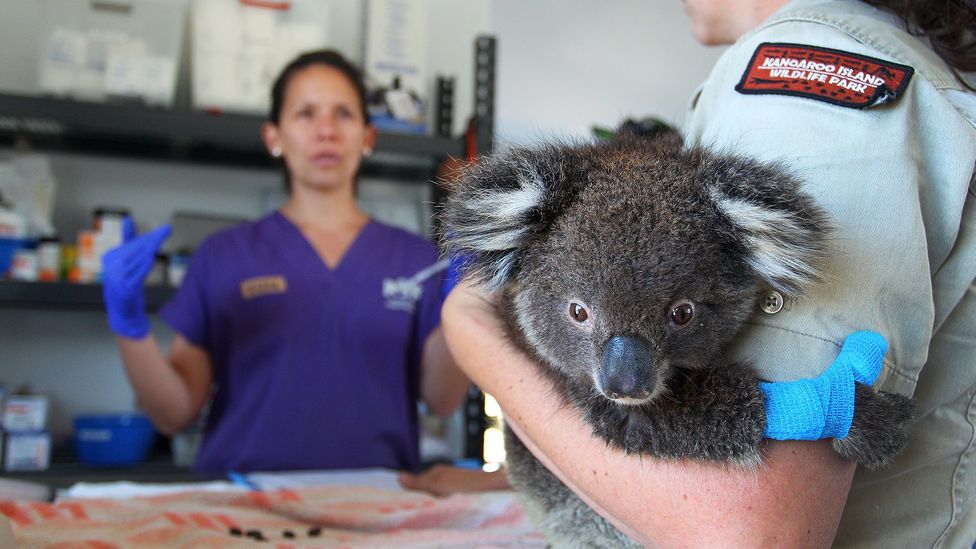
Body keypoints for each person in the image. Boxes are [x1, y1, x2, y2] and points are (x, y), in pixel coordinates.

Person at [437, 0, 976, 546]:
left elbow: (746, 531)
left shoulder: (809, 68)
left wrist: (475, 338)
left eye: (682, 313)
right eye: (579, 313)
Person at [101, 50, 471, 475]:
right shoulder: (223, 255)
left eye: (344, 114)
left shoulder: (418, 259)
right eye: (306, 114)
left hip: (375, 507)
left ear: (367, 137)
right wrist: (129, 326)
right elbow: (175, 414)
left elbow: (442, 401)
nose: (326, 131)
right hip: (242, 504)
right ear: (273, 136)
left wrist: (463, 304)